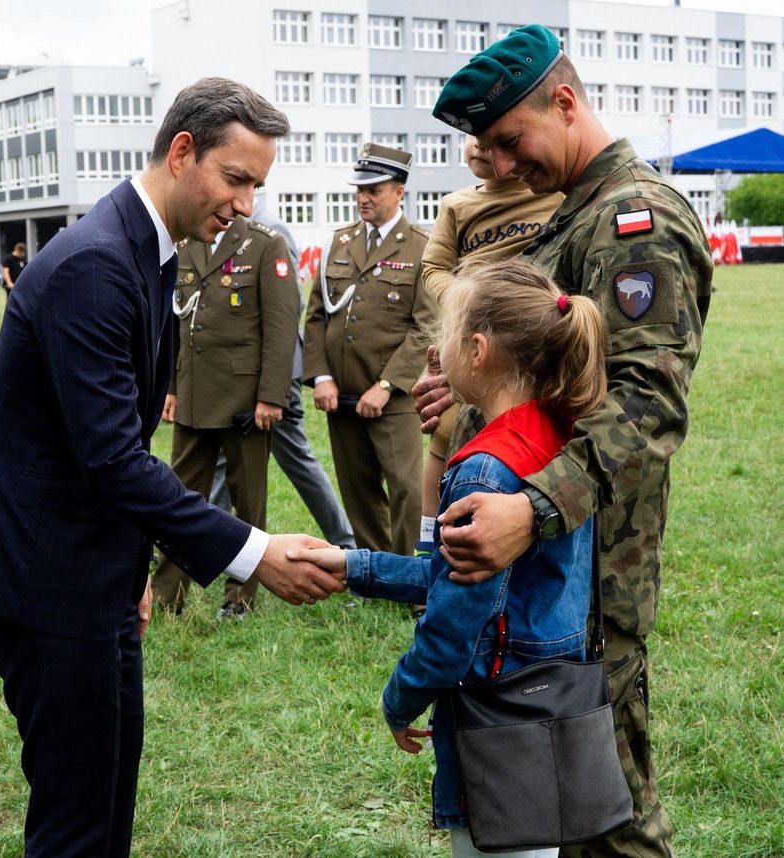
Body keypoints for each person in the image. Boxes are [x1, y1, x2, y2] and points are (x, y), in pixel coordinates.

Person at [0, 77, 345, 858]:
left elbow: (114, 441)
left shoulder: (144, 246)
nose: (247, 204)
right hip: (43, 579)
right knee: (79, 822)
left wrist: (131, 573)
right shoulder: (98, 263)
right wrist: (254, 552)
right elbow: (114, 458)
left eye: (258, 184)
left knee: (105, 798)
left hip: (89, 573)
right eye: (238, 179)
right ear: (182, 151)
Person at [417, 25, 713, 857]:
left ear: (568, 102)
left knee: (606, 816)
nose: (501, 167)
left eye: (510, 141)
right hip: (555, 566)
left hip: (588, 568)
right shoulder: (575, 215)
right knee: (556, 804)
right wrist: (476, 390)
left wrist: (534, 510)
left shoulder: (634, 221)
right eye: (486, 149)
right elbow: (562, 366)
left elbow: (646, 406)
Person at [294, 258, 609, 858]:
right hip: (555, 710)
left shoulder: (484, 469)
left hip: (498, 724)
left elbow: (452, 626)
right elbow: (458, 576)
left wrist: (399, 699)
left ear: (478, 349)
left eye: (443, 333)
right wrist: (352, 566)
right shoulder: (562, 439)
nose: (435, 348)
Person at [415, 138, 563, 551]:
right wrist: (467, 300)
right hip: (474, 335)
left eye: (492, 137)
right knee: (443, 432)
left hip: (527, 334)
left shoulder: (551, 197)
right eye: (471, 137)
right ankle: (430, 540)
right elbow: (433, 267)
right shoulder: (456, 205)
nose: (479, 146)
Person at [152, 214, 301, 619]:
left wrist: (272, 396)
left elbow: (281, 327)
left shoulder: (265, 244)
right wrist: (171, 387)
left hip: (245, 401)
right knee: (176, 496)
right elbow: (176, 324)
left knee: (248, 502)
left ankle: (240, 597)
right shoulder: (188, 242)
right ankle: (167, 595)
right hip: (195, 395)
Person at [303, 143, 436, 556]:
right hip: (341, 395)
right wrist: (321, 376)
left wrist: (387, 384)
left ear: (399, 191)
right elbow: (316, 316)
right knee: (358, 489)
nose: (363, 197)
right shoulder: (337, 244)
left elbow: (426, 327)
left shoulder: (422, 247)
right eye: (359, 189)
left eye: (374, 189)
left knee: (406, 491)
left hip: (392, 398)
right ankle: (375, 572)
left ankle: (409, 576)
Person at [208, 193, 356, 550]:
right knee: (225, 457)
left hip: (274, 373)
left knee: (295, 457)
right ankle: (206, 544)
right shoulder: (224, 229)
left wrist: (272, 382)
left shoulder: (270, 229)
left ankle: (346, 543)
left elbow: (288, 308)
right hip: (238, 373)